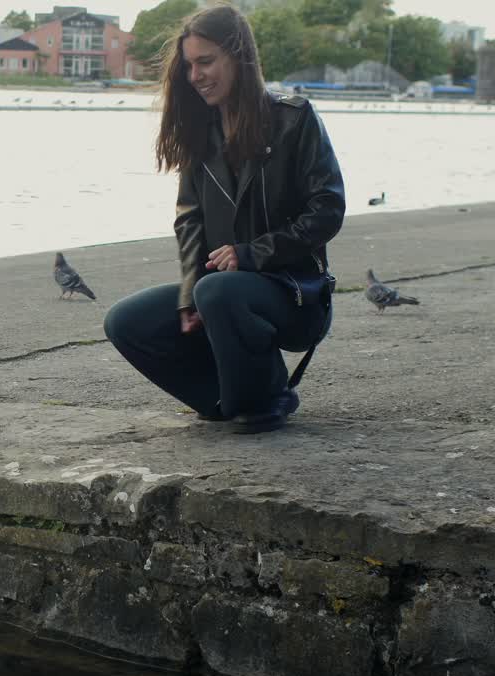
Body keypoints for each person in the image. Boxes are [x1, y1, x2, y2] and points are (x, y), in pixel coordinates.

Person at [103, 4, 345, 434]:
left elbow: (327, 209)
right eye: (189, 65)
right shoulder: (201, 132)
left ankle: (262, 395)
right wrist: (187, 296)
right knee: (125, 321)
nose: (194, 76)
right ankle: (231, 398)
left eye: (206, 62)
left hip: (296, 295)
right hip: (222, 292)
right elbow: (190, 223)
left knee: (217, 290)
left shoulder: (295, 120)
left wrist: (252, 254)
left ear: (239, 57)